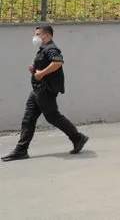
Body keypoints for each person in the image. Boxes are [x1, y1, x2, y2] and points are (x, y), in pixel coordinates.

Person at [2, 25, 88, 161]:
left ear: (47, 36)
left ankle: (78, 138)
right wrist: (35, 70)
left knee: (52, 116)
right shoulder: (43, 49)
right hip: (38, 89)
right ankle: (21, 150)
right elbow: (48, 67)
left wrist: (41, 73)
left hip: (45, 90)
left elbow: (58, 62)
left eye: (38, 34)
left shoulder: (51, 48)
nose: (35, 37)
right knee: (28, 119)